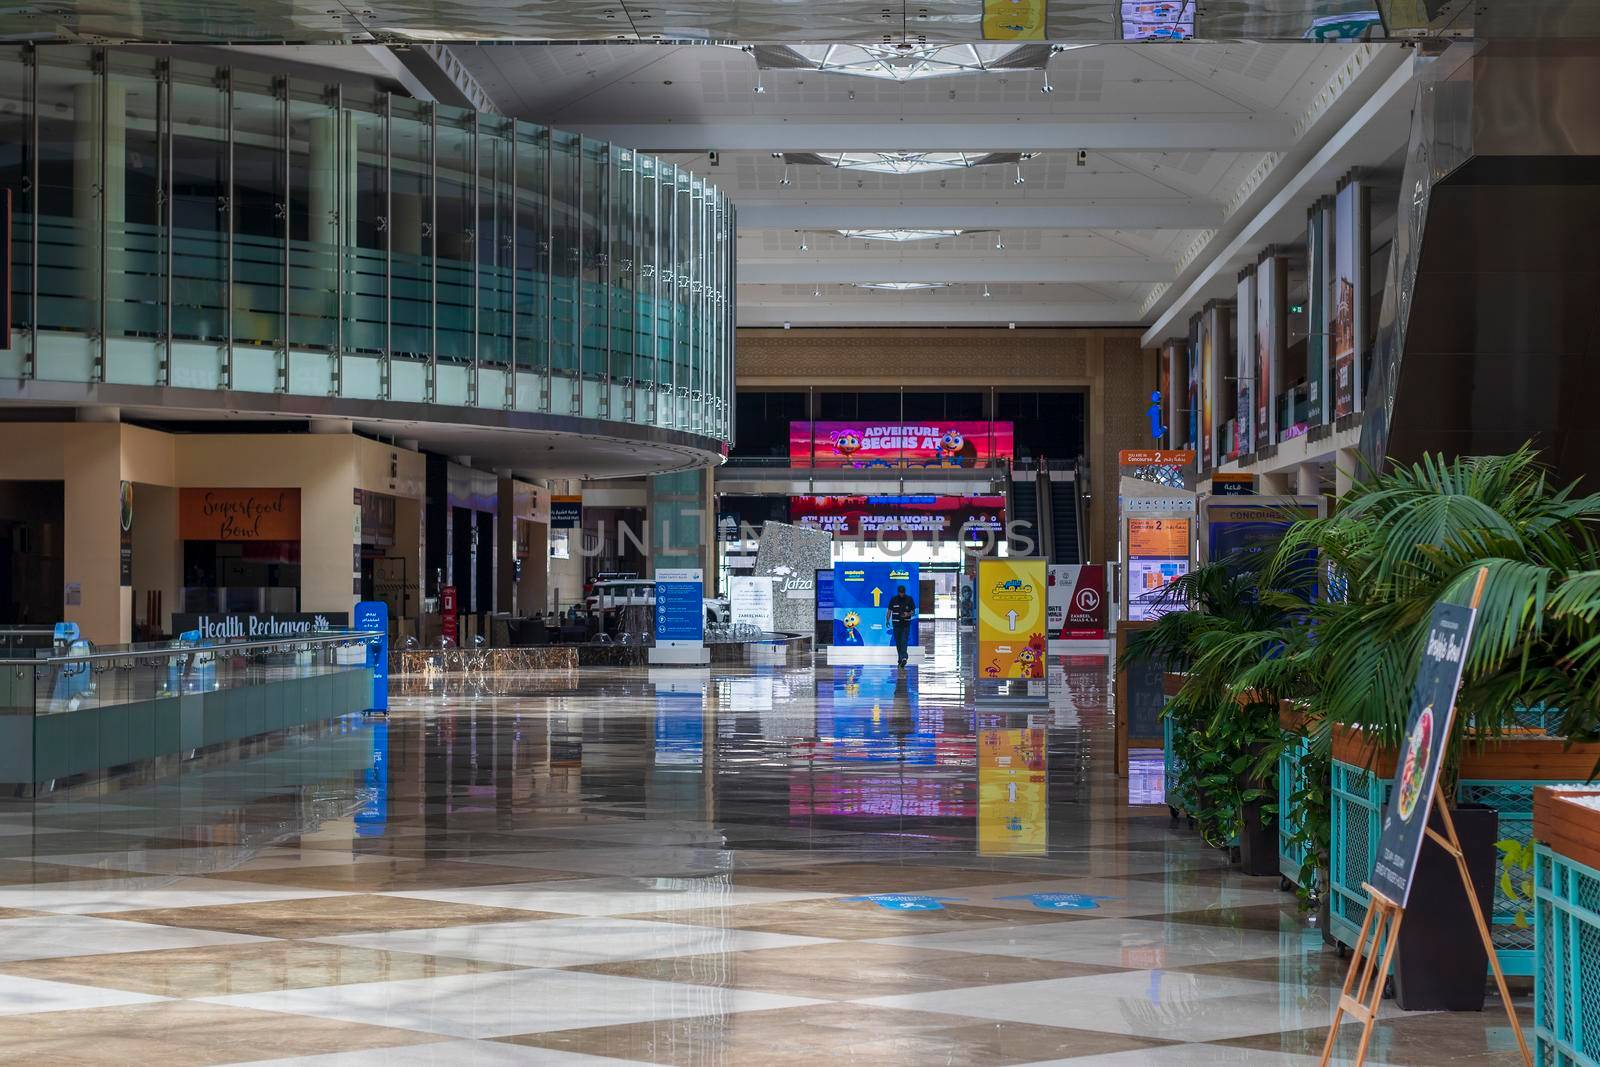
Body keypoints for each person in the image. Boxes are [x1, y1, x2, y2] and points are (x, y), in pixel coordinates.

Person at [887, 584, 916, 668]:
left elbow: (913, 612)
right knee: (898, 642)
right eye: (900, 593)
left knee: (904, 640)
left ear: (904, 592)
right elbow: (889, 610)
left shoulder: (909, 599)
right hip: (896, 624)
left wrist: (908, 613)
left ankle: (904, 657)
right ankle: (900, 659)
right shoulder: (894, 599)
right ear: (898, 592)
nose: (901, 594)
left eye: (903, 593)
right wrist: (887, 620)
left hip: (906, 624)